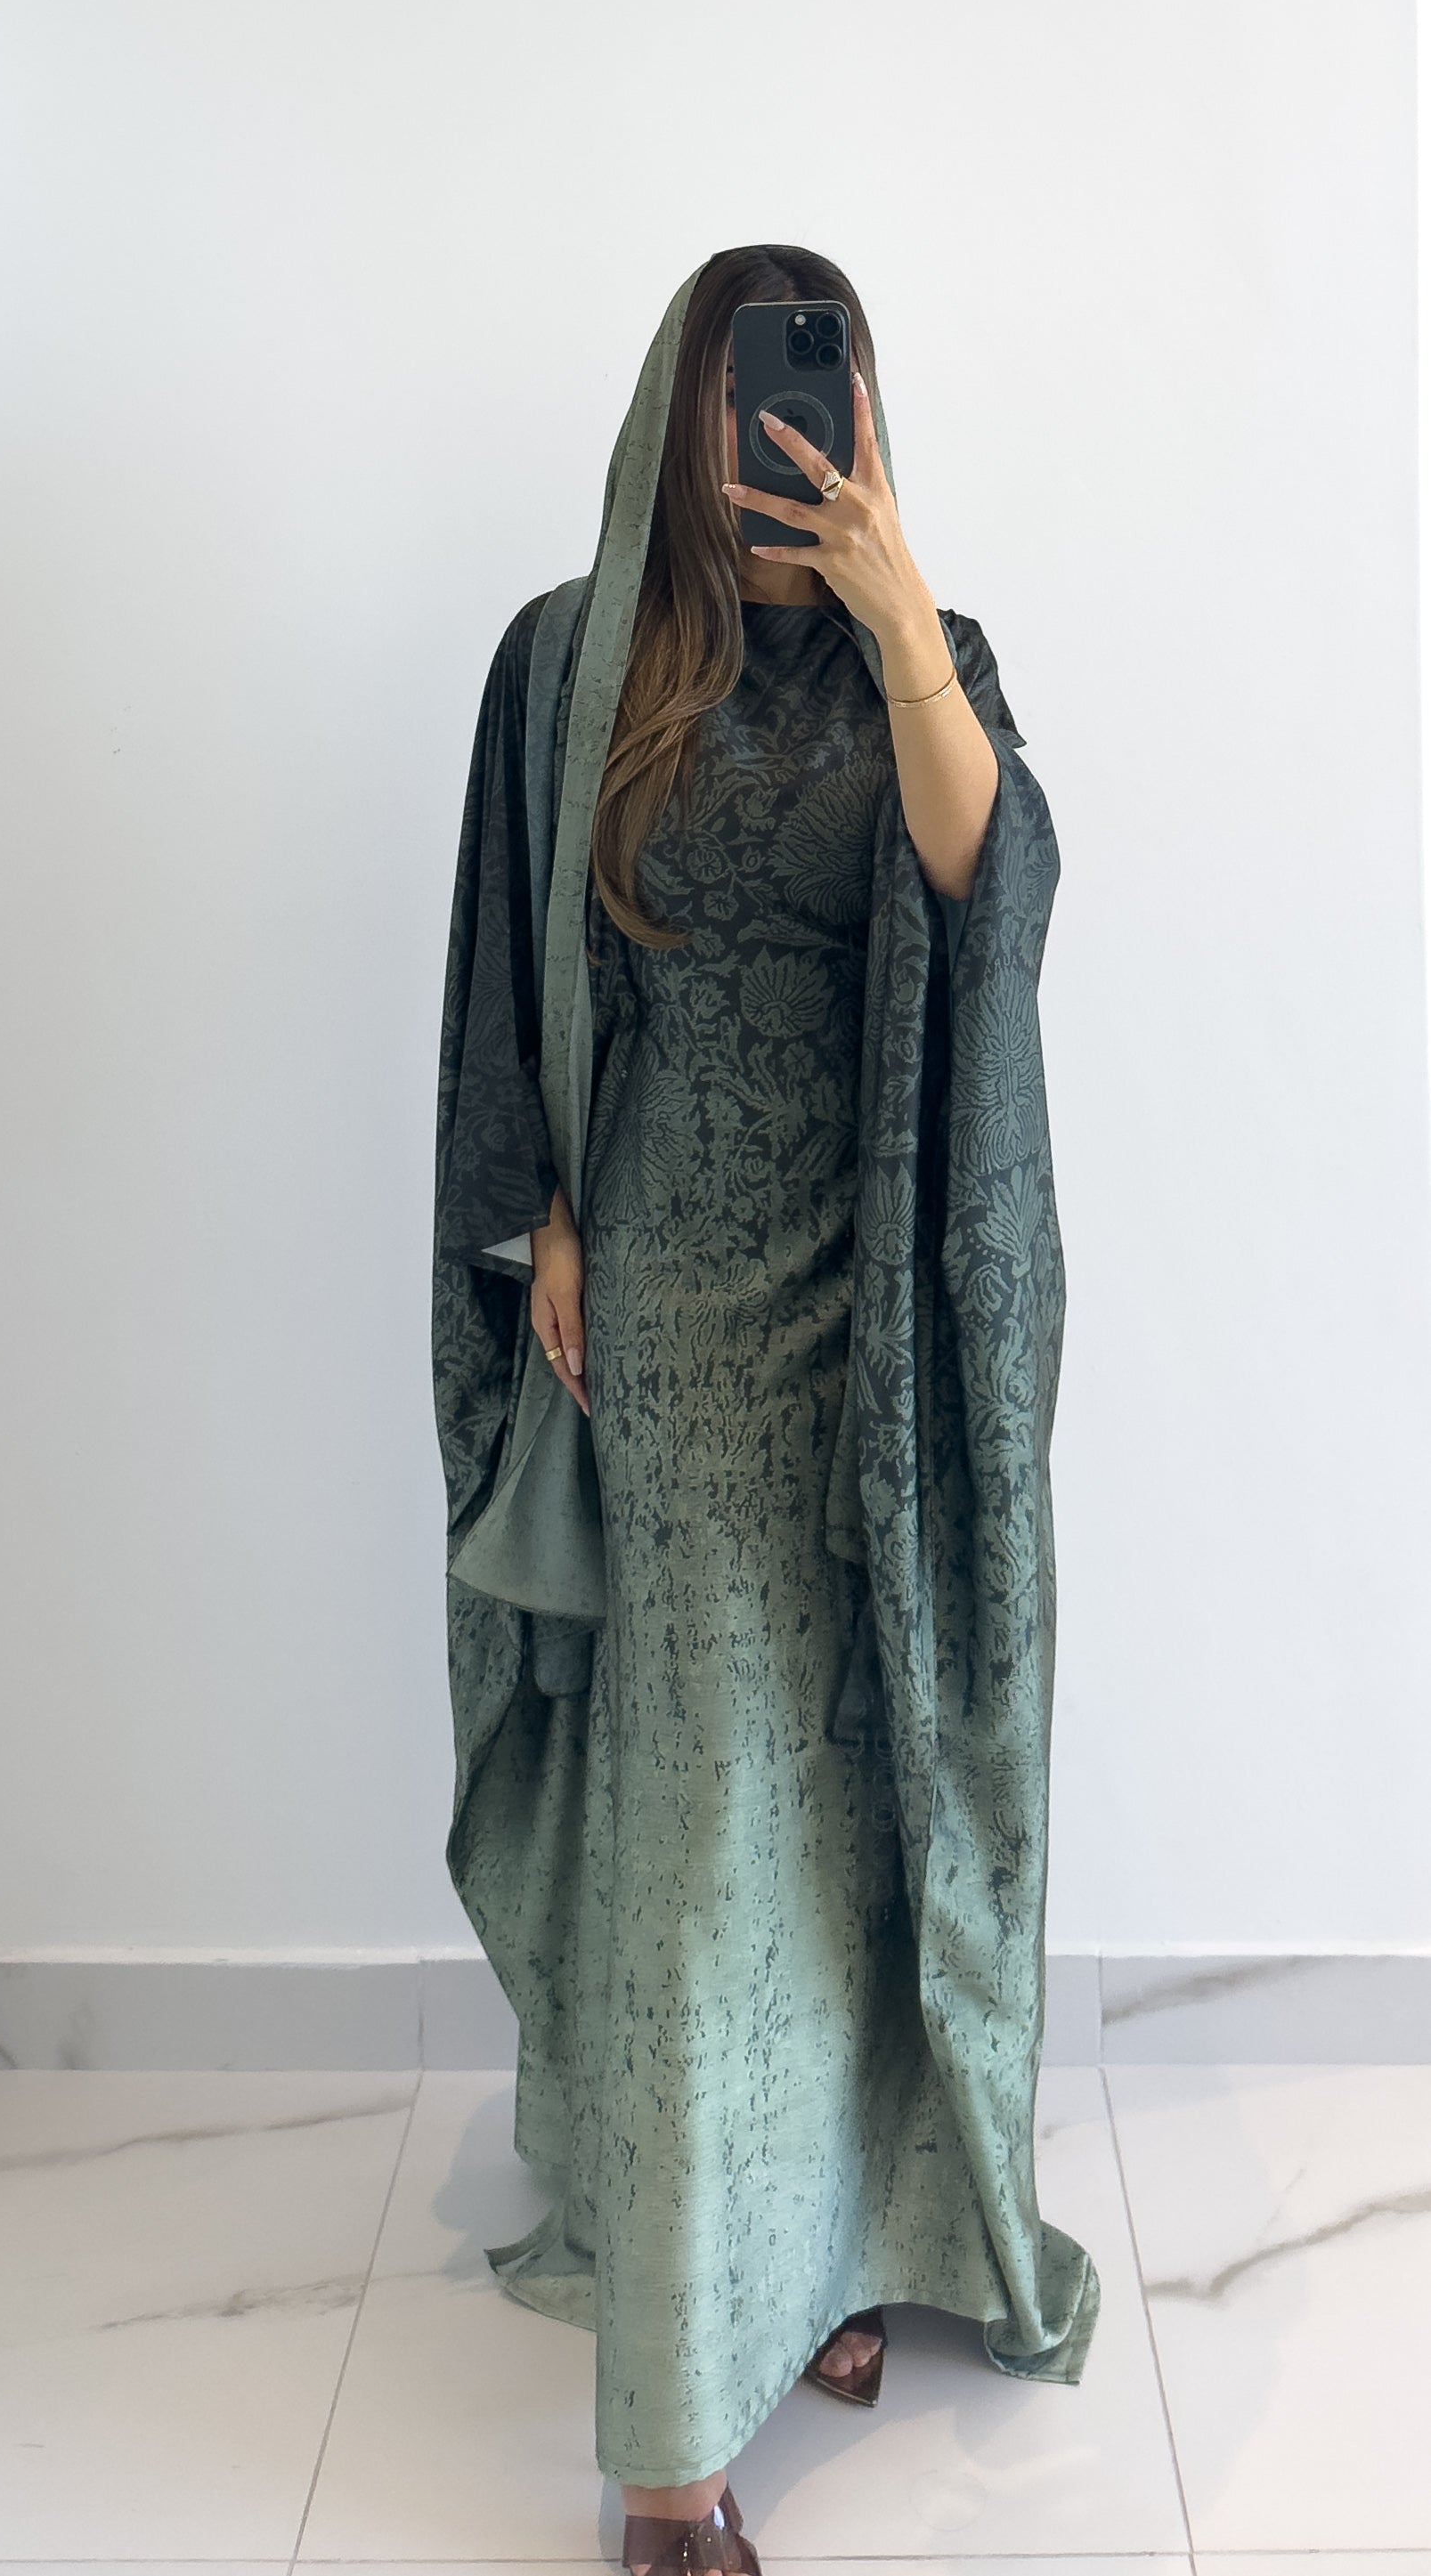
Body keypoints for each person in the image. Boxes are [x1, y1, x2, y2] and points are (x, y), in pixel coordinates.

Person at [431, 246, 1101, 2576]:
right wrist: (546, 1221)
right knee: (713, 1827)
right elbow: (512, 971)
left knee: (847, 1807)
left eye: (809, 393)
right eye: (737, 395)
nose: (768, 441)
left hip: (883, 1317)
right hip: (672, 1323)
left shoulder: (932, 657)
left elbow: (993, 895)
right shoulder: (571, 659)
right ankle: (664, 2456)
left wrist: (901, 618)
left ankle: (819, 2242)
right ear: (676, 408)